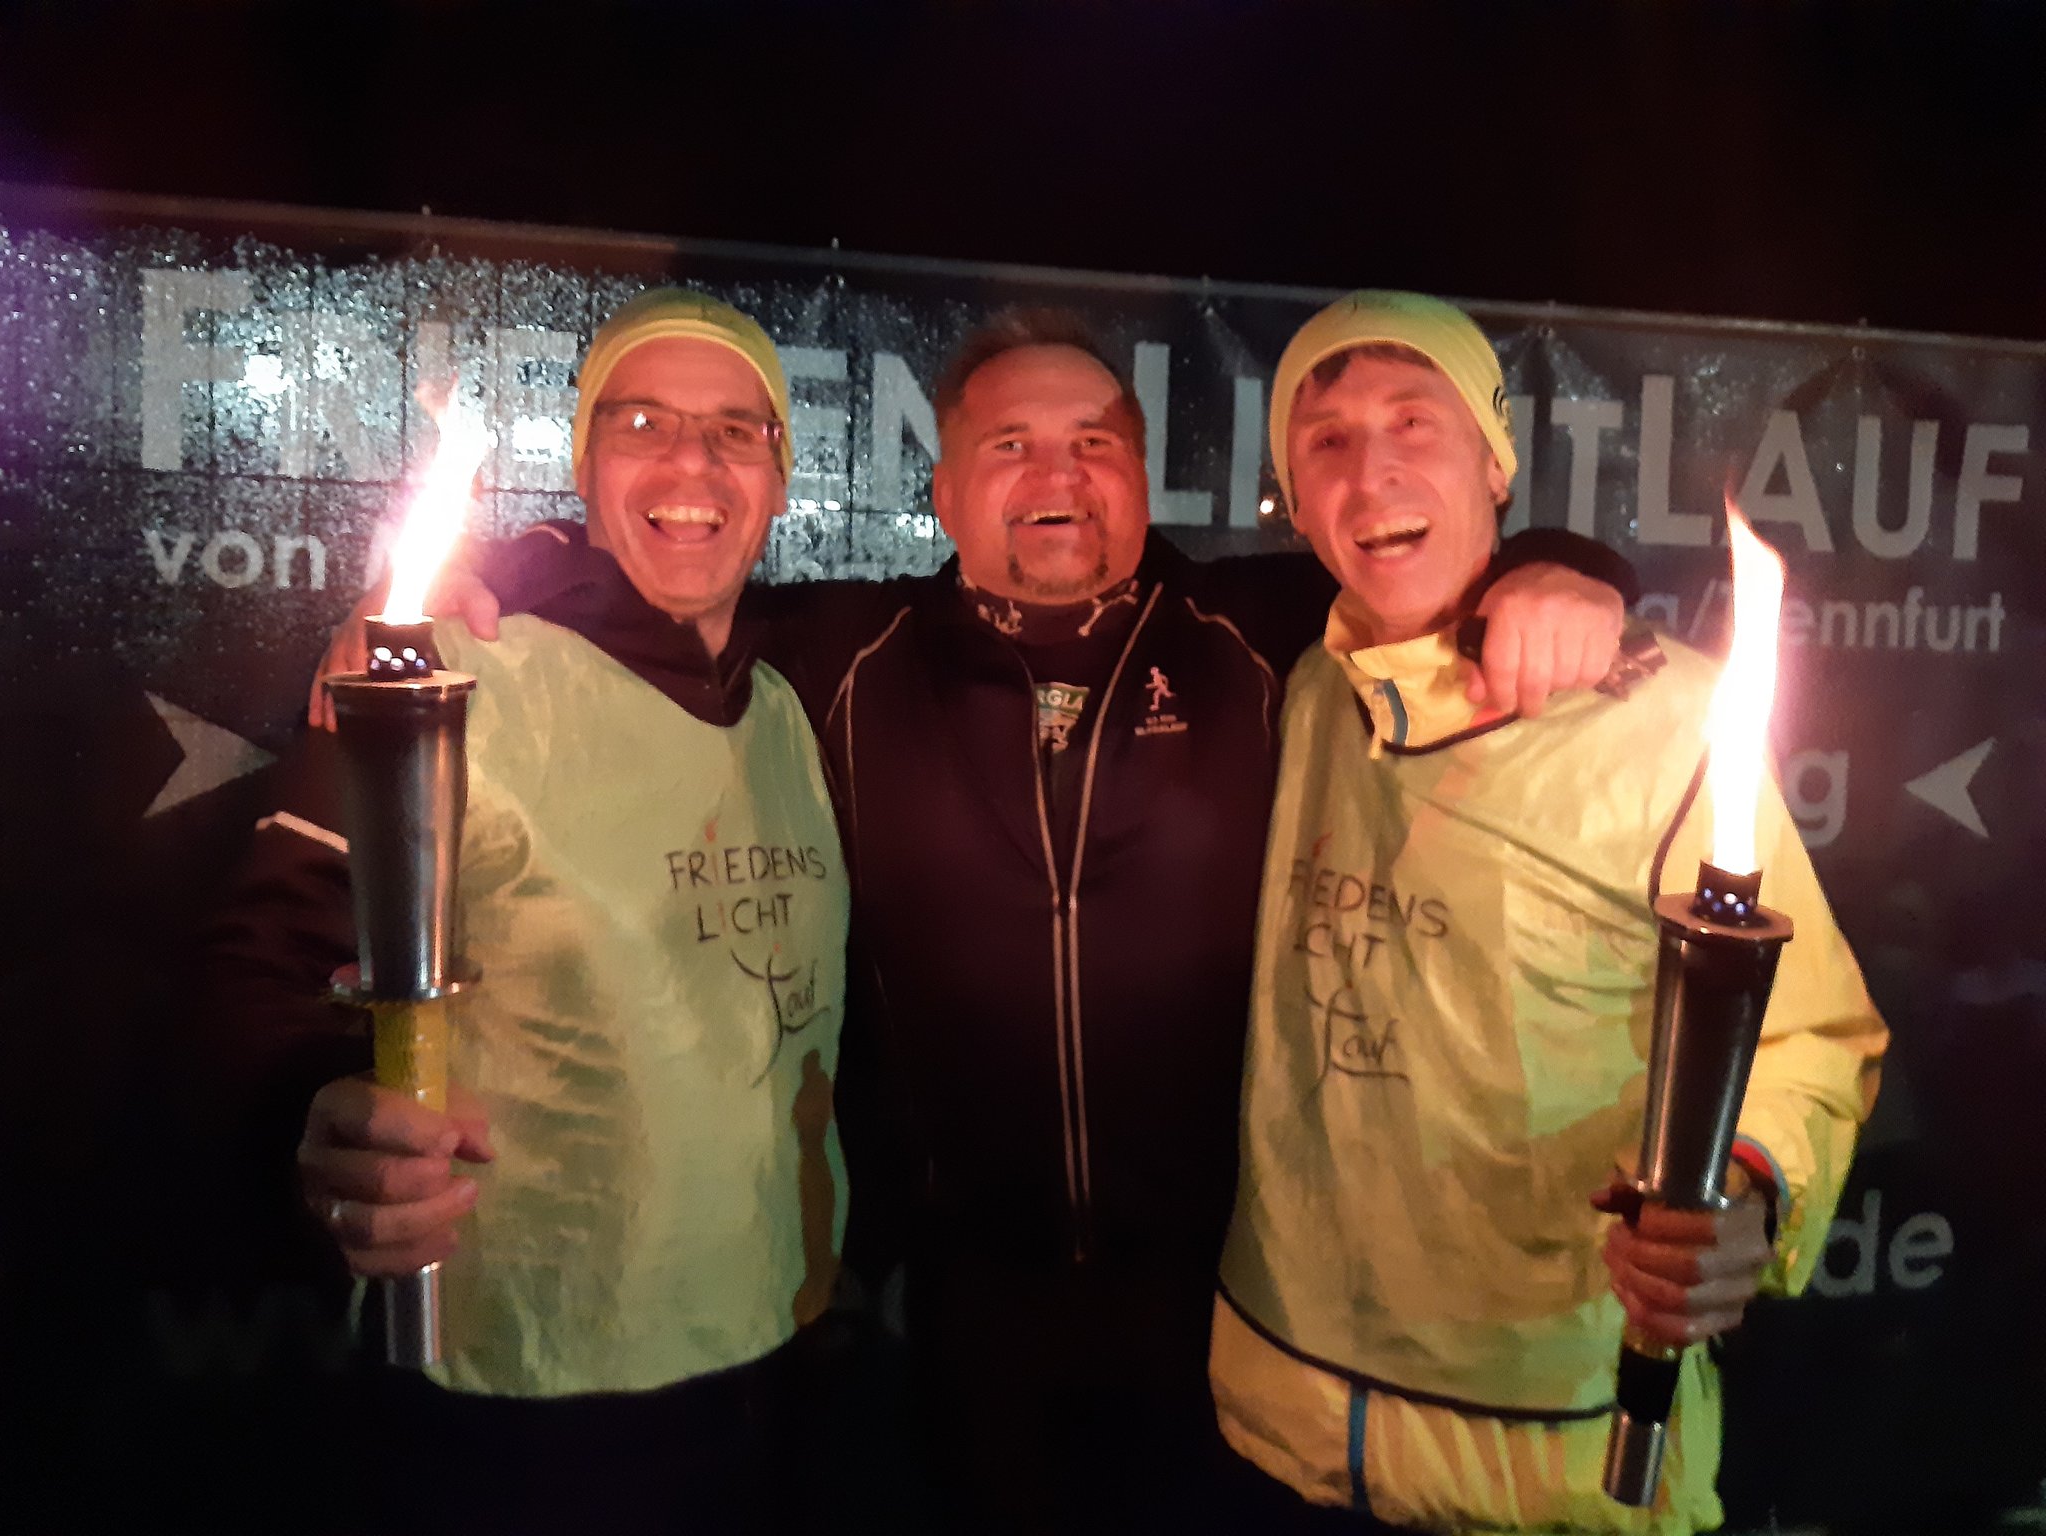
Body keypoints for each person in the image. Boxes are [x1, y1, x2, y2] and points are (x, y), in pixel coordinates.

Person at [332, 306, 1636, 1532]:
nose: (1055, 474)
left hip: (1228, 1306)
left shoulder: (1263, 628)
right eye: (1007, 447)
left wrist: (1563, 570)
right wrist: (515, 565)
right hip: (963, 1316)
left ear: (1141, 479)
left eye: (1094, 444)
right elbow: (652, 590)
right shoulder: (840, 649)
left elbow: (1433, 562)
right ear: (944, 493)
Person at [1209, 290, 1888, 1534]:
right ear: (1290, 502)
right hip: (1281, 1419)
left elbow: (1808, 1039)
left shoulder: (1660, 717)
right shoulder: (1293, 686)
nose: (1372, 471)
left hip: (1558, 1461)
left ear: (1495, 459)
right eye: (1325, 443)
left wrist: (1744, 1194)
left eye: (1416, 421)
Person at [207, 289, 848, 1534]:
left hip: (772, 1342)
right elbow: (255, 964)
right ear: (582, 462)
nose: (691, 463)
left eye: (736, 430)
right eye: (644, 420)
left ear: (778, 471)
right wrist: (314, 1112)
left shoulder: (788, 700)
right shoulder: (448, 669)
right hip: (523, 1387)